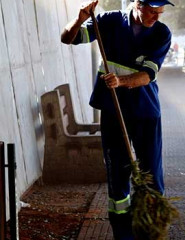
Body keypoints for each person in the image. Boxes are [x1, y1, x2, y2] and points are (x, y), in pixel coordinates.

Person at [60, 0, 173, 239]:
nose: (156, 17)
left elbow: (147, 75)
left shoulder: (161, 33)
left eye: (160, 13)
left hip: (145, 113)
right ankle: (123, 233)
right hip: (113, 111)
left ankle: (151, 230)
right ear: (137, 5)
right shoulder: (109, 21)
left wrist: (121, 82)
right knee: (117, 173)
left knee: (151, 171)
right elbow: (68, 38)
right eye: (152, 11)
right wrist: (80, 18)